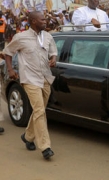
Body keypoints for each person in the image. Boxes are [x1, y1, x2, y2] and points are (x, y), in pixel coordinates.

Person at [4, 11, 57, 160]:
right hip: (29, 79)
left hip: (45, 78)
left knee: (39, 110)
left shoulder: (48, 36)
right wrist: (10, 69)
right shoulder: (21, 37)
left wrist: (53, 59)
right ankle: (45, 146)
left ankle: (28, 136)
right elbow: (7, 52)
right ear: (33, 21)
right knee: (39, 110)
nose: (45, 21)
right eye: (42, 19)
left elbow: (53, 52)